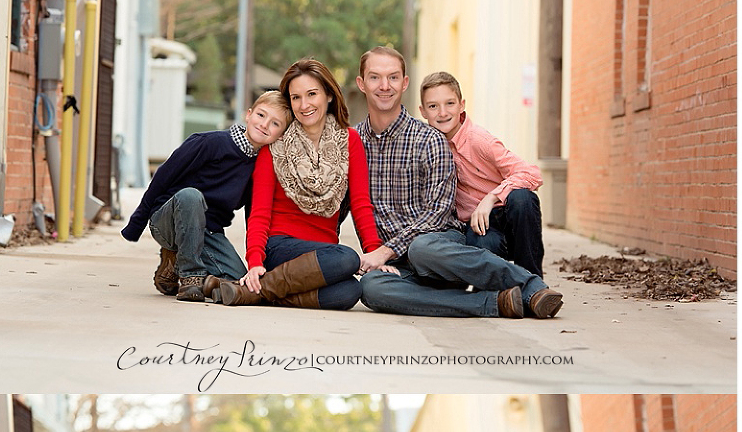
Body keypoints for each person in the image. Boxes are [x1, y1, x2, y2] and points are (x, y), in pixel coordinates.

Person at [353, 46, 563, 320]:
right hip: (394, 264)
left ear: (404, 83)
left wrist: (385, 250)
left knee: (422, 248)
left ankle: (530, 285)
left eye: (392, 77)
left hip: (438, 248)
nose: (384, 86)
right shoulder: (352, 141)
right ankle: (497, 302)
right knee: (371, 289)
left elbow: (438, 212)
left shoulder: (430, 139)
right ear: (361, 83)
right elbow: (339, 203)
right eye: (374, 77)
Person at [212, 58, 397, 312]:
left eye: (312, 94)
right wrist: (255, 260)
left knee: (350, 292)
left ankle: (256, 292)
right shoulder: (275, 146)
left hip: (323, 254)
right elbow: (259, 212)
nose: (304, 105)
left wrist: (374, 252)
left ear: (329, 95)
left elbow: (361, 204)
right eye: (296, 97)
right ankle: (258, 285)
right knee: (348, 258)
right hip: (280, 247)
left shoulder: (350, 141)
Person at [121, 90, 290, 302]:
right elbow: (163, 177)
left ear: (282, 134)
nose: (265, 125)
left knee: (240, 281)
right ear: (248, 115)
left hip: (207, 232)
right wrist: (137, 223)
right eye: (261, 115)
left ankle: (176, 265)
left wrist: (257, 259)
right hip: (168, 221)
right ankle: (191, 276)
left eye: (275, 123)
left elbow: (254, 214)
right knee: (191, 196)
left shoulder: (259, 168)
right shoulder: (208, 143)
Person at [420, 71, 545, 278]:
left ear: (462, 105)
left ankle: (533, 283)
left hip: (508, 216)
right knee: (481, 243)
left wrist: (491, 198)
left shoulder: (479, 140)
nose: (442, 112)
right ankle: (504, 288)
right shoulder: (427, 147)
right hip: (479, 228)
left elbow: (532, 174)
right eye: (433, 106)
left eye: (450, 103)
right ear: (423, 111)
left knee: (522, 198)